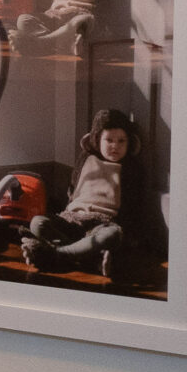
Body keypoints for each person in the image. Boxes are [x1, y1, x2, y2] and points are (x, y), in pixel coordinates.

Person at [21, 108, 155, 280]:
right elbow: (73, 187)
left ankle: (56, 254)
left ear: (130, 142)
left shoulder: (130, 168)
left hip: (101, 222)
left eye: (122, 141)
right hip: (73, 218)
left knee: (112, 235)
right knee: (38, 222)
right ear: (97, 139)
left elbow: (132, 204)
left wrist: (130, 233)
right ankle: (91, 258)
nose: (115, 146)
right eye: (109, 140)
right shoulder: (86, 159)